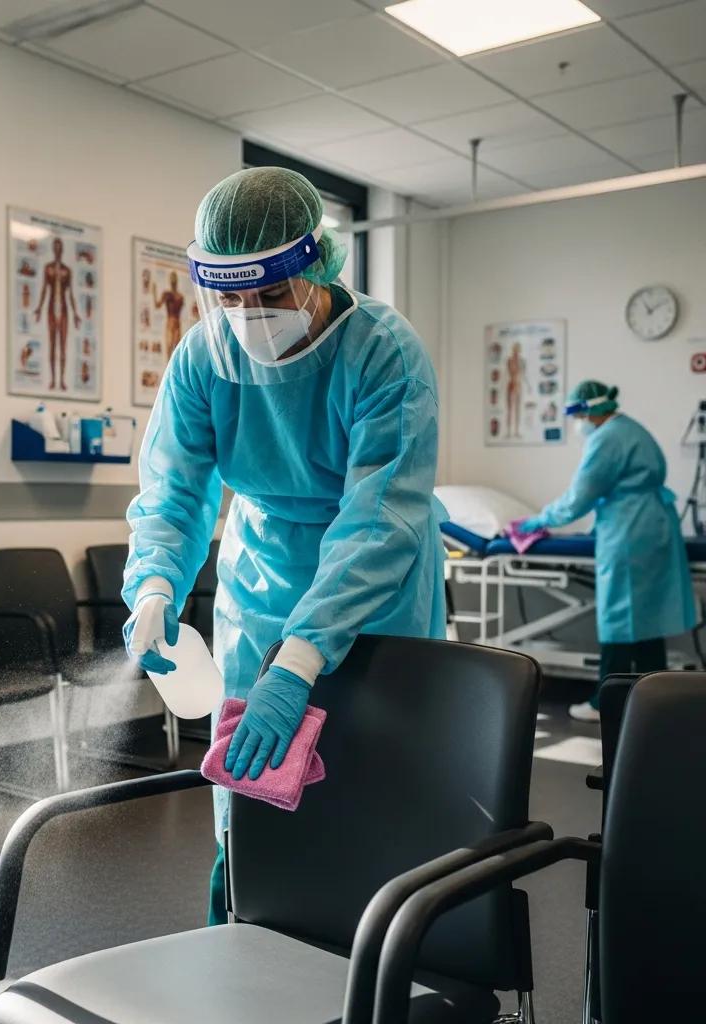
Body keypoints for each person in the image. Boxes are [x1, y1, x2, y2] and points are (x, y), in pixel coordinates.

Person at [121, 167, 446, 926]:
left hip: (376, 591)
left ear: (317, 266)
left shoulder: (382, 354)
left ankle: (382, 959)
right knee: (252, 793)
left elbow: (378, 518)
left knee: (370, 784)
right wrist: (155, 588)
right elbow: (172, 489)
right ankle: (243, 929)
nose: (247, 317)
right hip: (261, 578)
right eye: (229, 299)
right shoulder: (204, 358)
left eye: (267, 296)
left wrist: (302, 657)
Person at [517, 380, 696, 722]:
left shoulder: (607, 438)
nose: (577, 422)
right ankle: (656, 697)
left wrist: (537, 520)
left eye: (576, 413)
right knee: (646, 618)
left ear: (590, 409)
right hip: (652, 524)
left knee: (619, 616)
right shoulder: (629, 428)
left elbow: (579, 497)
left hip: (631, 531)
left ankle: (605, 700)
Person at [35, 237, 81, 391]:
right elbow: (44, 289)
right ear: (53, 249)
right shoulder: (48, 268)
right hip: (51, 308)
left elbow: (71, 294)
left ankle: (61, 380)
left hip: (64, 309)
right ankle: (53, 380)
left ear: (62, 250)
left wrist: (75, 313)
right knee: (52, 345)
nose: (57, 250)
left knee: (62, 347)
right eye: (55, 247)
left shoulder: (67, 271)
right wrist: (39, 308)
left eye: (60, 247)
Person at [153, 270, 186, 358]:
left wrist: (154, 292)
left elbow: (157, 305)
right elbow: (157, 305)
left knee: (177, 349)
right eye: (172, 279)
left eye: (174, 279)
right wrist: (154, 292)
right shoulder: (167, 294)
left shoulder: (180, 296)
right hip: (171, 322)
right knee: (170, 347)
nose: (173, 281)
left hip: (176, 323)